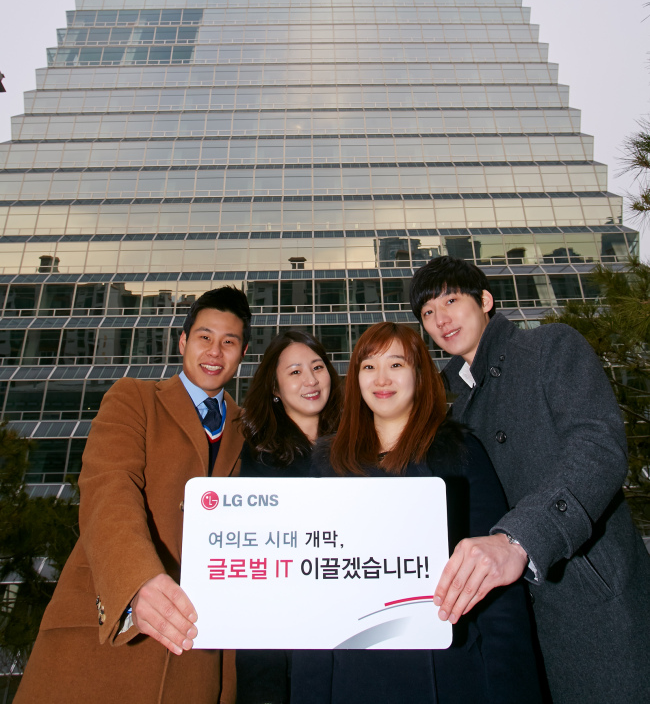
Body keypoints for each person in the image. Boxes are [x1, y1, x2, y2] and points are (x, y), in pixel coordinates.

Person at [410, 256, 650, 704]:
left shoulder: (549, 347)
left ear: (485, 300)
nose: (439, 319)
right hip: (513, 624)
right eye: (427, 313)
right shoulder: (448, 407)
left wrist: (518, 541)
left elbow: (598, 450)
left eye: (450, 300)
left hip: (591, 599)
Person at [16, 286, 251, 704]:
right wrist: (136, 581)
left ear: (243, 352)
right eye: (204, 337)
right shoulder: (134, 398)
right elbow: (109, 488)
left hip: (197, 659)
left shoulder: (248, 430)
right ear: (183, 341)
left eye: (229, 341)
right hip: (104, 648)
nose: (215, 351)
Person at [290, 322, 542, 704]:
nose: (381, 379)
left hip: (449, 675)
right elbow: (311, 595)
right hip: (350, 677)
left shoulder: (460, 453)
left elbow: (497, 591)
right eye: (368, 366)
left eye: (396, 364)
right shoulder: (326, 464)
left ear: (420, 375)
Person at [236, 329, 342, 704]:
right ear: (275, 388)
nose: (311, 380)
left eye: (317, 367)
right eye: (295, 372)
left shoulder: (360, 448)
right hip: (282, 654)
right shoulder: (258, 459)